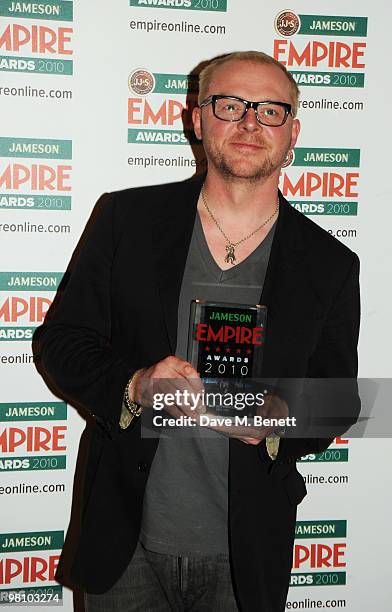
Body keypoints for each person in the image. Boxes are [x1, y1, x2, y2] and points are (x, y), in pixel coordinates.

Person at [34, 51, 360, 612]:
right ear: (197, 118)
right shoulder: (125, 221)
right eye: (231, 104)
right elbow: (61, 341)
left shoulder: (329, 263)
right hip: (126, 541)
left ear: (294, 132)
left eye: (271, 110)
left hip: (246, 550)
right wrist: (134, 385)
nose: (251, 122)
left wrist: (277, 421)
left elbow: (339, 399)